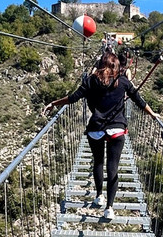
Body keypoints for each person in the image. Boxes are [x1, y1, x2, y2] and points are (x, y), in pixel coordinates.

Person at [45, 50, 157, 220]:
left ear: (100, 64)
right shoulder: (122, 81)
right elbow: (138, 100)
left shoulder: (91, 81)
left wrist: (54, 103)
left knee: (98, 162)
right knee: (113, 168)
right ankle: (109, 208)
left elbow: (73, 98)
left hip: (96, 129)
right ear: (116, 65)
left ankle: (99, 196)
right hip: (116, 130)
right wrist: (152, 114)